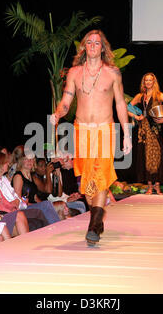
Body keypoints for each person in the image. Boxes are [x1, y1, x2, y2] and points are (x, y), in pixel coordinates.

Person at [50, 29, 132, 245]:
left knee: (102, 175)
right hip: (82, 130)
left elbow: (120, 104)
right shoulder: (75, 73)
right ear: (84, 47)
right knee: (87, 182)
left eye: (97, 43)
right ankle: (98, 214)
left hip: (105, 129)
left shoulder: (112, 73)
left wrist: (126, 134)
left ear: (103, 47)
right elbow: (66, 100)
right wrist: (59, 113)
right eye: (90, 43)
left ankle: (94, 223)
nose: (93, 46)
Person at [127, 73, 163, 195]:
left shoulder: (159, 95)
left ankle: (158, 187)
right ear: (143, 83)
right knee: (145, 156)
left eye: (150, 80)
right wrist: (136, 116)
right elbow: (127, 107)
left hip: (155, 130)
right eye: (146, 80)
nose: (148, 82)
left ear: (154, 82)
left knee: (157, 157)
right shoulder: (140, 96)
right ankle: (150, 187)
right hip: (143, 130)